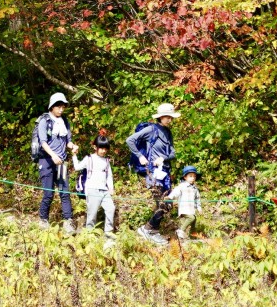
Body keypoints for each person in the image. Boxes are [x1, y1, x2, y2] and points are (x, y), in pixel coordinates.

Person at [126, 103, 179, 240]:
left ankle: (151, 230)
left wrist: (163, 157)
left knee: (167, 204)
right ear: (160, 117)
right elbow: (130, 140)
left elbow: (173, 153)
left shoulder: (168, 132)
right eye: (167, 117)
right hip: (153, 172)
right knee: (161, 203)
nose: (169, 119)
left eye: (170, 117)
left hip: (165, 171)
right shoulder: (151, 129)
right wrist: (140, 156)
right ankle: (148, 230)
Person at [32, 92, 75, 229]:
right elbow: (43, 142)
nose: (61, 110)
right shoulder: (44, 121)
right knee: (48, 193)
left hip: (61, 162)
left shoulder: (65, 122)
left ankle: (68, 221)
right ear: (52, 107)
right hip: (46, 161)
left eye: (63, 107)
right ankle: (43, 219)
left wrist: (73, 146)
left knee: (64, 192)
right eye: (59, 107)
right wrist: (52, 155)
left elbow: (68, 141)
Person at [78, 136, 117, 236]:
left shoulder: (106, 161)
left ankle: (108, 232)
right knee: (92, 213)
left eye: (105, 148)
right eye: (101, 148)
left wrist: (111, 188)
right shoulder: (89, 158)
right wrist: (74, 156)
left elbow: (109, 176)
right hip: (92, 189)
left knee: (110, 208)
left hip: (104, 190)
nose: (104, 151)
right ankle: (89, 234)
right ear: (95, 147)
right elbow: (77, 167)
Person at [174, 165, 201, 241]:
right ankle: (181, 230)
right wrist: (169, 197)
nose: (193, 178)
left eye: (194, 176)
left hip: (191, 209)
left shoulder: (195, 189)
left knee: (194, 219)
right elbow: (175, 192)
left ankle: (193, 235)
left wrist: (199, 208)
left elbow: (197, 199)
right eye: (190, 176)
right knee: (191, 218)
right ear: (185, 177)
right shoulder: (182, 186)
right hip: (184, 208)